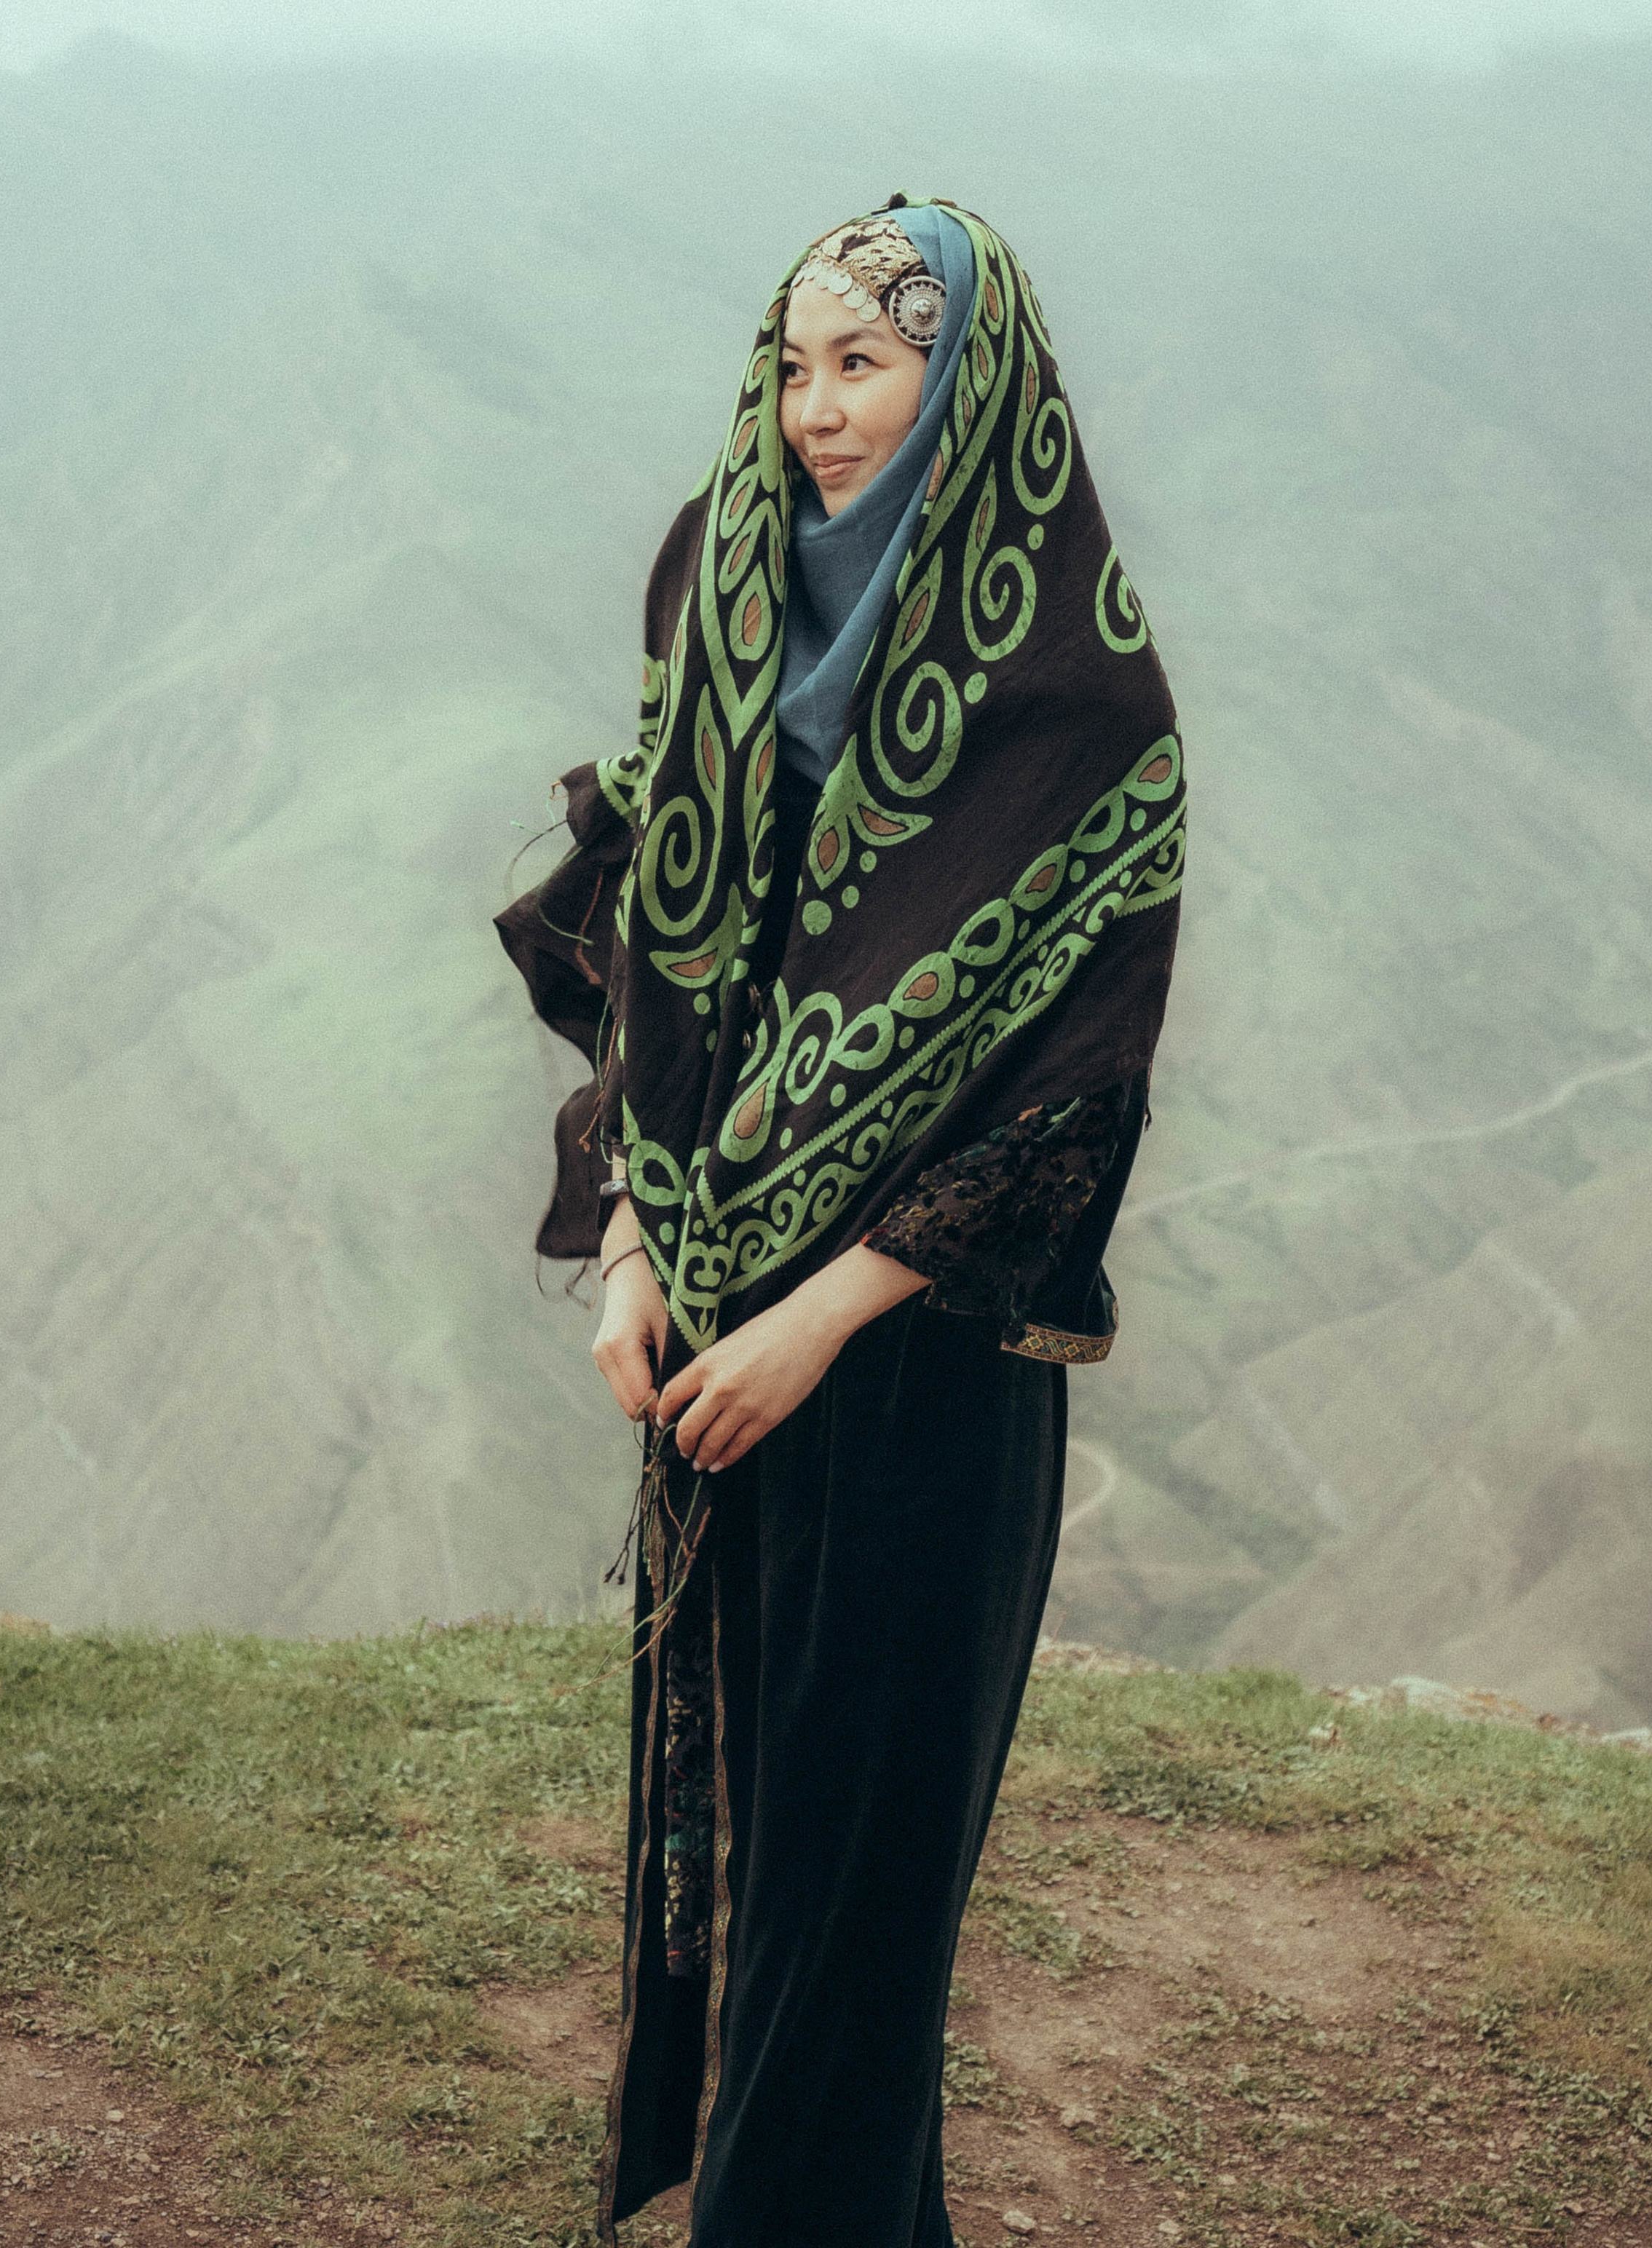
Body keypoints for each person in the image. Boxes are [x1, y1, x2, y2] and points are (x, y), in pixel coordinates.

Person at [497, 199, 1184, 2247]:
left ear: (971, 385)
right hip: (709, 1356)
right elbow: (642, 958)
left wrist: (818, 1319)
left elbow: (1073, 1099)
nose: (820, 410)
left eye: (871, 362)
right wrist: (633, 1241)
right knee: (738, 1880)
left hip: (914, 1390)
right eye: (794, 366)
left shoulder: (1078, 705)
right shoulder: (717, 605)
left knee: (852, 1929)